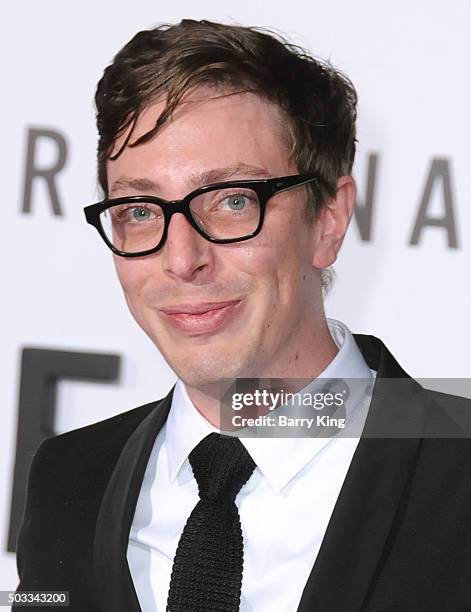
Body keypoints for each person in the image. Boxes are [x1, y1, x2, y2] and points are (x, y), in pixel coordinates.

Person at [14, 18, 471, 612]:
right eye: (139, 210)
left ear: (328, 220)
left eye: (232, 200)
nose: (181, 260)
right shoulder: (68, 480)